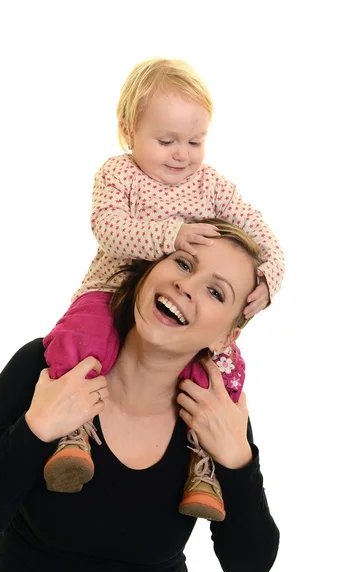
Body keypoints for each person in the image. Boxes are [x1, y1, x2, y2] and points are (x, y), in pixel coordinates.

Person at [0, 220, 280, 572]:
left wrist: (238, 462)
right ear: (150, 268)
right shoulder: (47, 367)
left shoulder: (215, 413)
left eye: (216, 292)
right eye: (184, 264)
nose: (185, 286)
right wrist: (35, 430)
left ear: (226, 337)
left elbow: (249, 569)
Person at [42, 58, 285, 521]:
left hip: (176, 311)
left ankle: (204, 464)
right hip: (110, 290)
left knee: (221, 369)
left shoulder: (211, 184)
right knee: (83, 339)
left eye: (195, 141)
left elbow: (263, 236)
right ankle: (72, 432)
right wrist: (170, 237)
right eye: (167, 140)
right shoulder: (119, 174)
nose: (182, 155)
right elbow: (107, 227)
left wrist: (269, 278)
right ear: (128, 130)